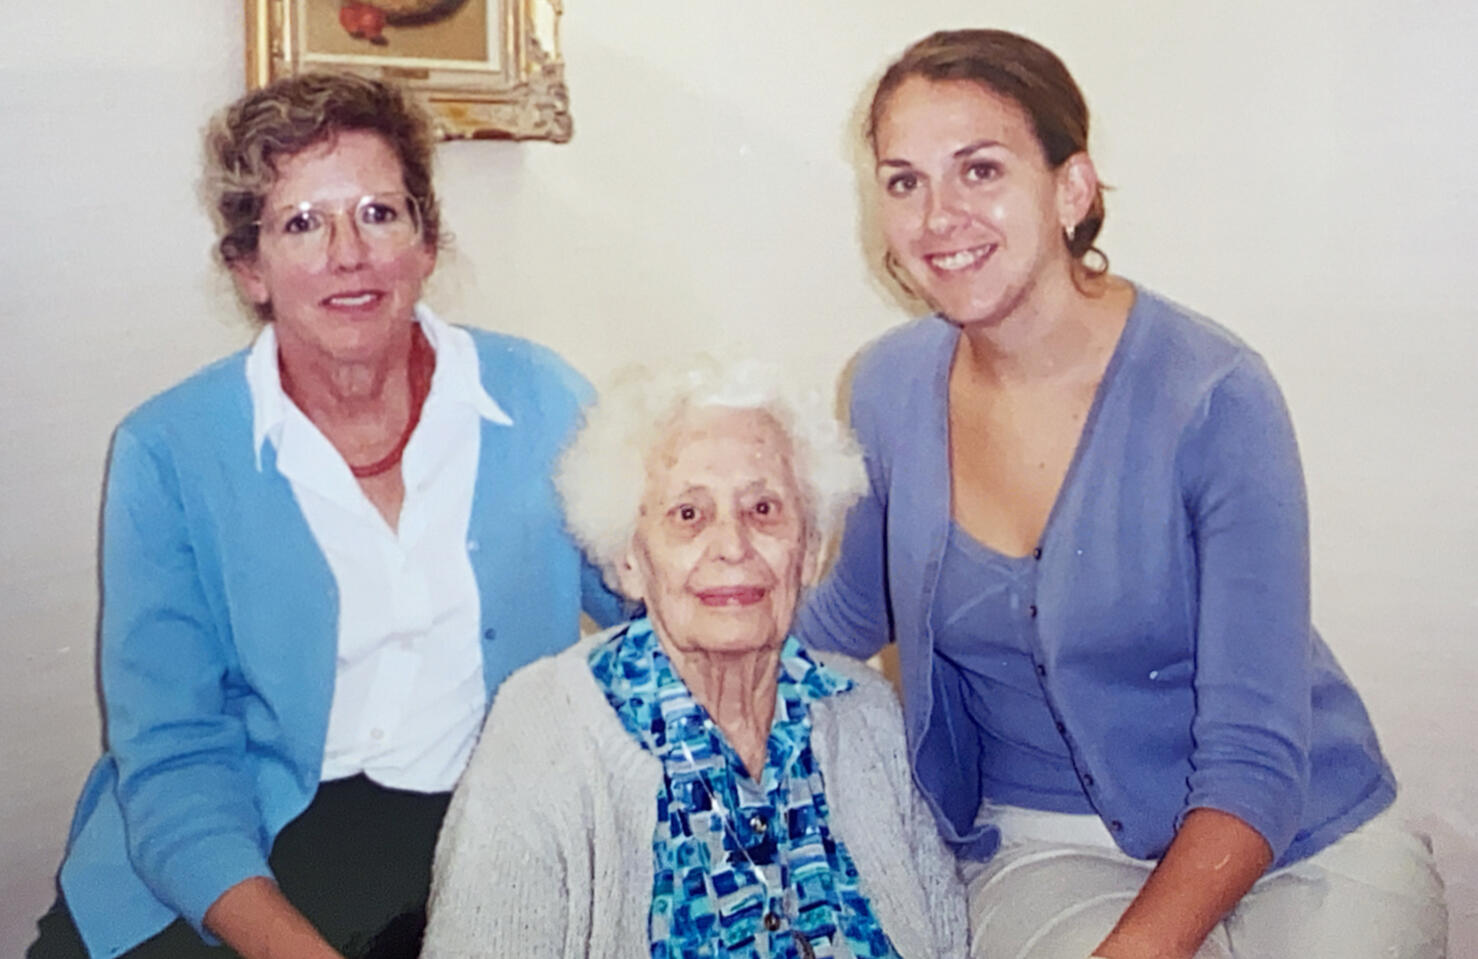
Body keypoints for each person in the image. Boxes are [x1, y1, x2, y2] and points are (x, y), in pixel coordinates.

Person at [795, 29, 1447, 959]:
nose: (939, 215)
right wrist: (662, 634)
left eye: (979, 170)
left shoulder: (1215, 393)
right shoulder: (888, 387)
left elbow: (1255, 760)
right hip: (1047, 847)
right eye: (905, 181)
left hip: (1298, 834)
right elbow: (851, 612)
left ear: (1072, 189)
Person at [28, 72, 621, 959]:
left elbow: (660, 604)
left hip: (473, 821)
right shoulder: (167, 450)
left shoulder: (544, 401)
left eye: (380, 213)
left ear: (427, 241)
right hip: (230, 828)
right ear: (249, 267)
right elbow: (175, 750)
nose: (349, 253)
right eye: (302, 223)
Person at [422, 358, 969, 958]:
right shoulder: (544, 730)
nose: (732, 547)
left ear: (810, 550)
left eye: (764, 510)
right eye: (689, 515)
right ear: (629, 558)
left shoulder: (866, 714)